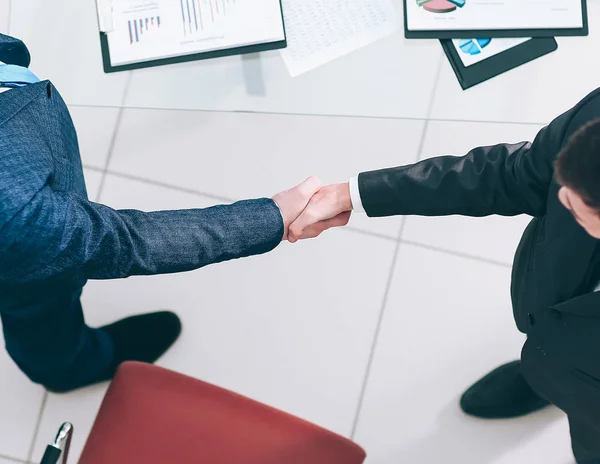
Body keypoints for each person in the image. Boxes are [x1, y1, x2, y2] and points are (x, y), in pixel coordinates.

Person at [0, 33, 350, 394]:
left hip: (25, 152)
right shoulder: (14, 213)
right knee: (39, 300)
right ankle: (70, 366)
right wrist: (273, 217)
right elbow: (128, 242)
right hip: (20, 242)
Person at [288, 89, 600, 462]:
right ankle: (544, 376)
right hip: (560, 318)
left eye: (583, 205)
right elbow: (517, 175)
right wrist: (352, 194)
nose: (561, 199)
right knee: (551, 356)